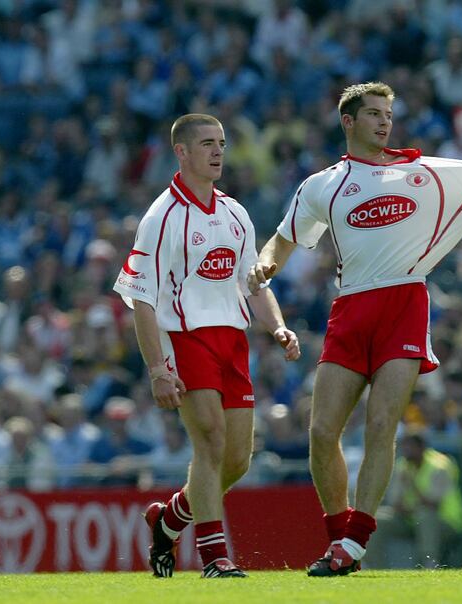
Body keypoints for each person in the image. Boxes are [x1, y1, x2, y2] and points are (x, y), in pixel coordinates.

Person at [248, 82, 462, 577]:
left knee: (383, 422)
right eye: (374, 114)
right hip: (350, 308)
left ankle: (356, 542)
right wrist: (264, 267)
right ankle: (338, 538)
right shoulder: (323, 185)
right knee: (322, 432)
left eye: (388, 114)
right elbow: (282, 242)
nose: (385, 122)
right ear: (349, 121)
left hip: (405, 301)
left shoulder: (418, 171)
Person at [113, 113, 301, 579]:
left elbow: (253, 283)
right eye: (207, 144)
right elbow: (141, 297)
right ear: (182, 152)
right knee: (211, 443)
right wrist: (158, 368)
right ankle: (215, 558)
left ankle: (170, 518)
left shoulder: (235, 212)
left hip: (233, 341)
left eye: (221, 143)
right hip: (186, 338)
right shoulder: (161, 217)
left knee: (236, 459)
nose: (218, 152)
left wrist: (276, 327)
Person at [367, 429, 462, 569]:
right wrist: (401, 501)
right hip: (411, 519)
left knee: (424, 517)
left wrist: (412, 485)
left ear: (422, 447)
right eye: (404, 446)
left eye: (410, 446)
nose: (406, 450)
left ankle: (428, 564)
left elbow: (432, 506)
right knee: (376, 519)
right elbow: (395, 504)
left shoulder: (440, 466)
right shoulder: (403, 465)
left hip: (446, 522)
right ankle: (375, 567)